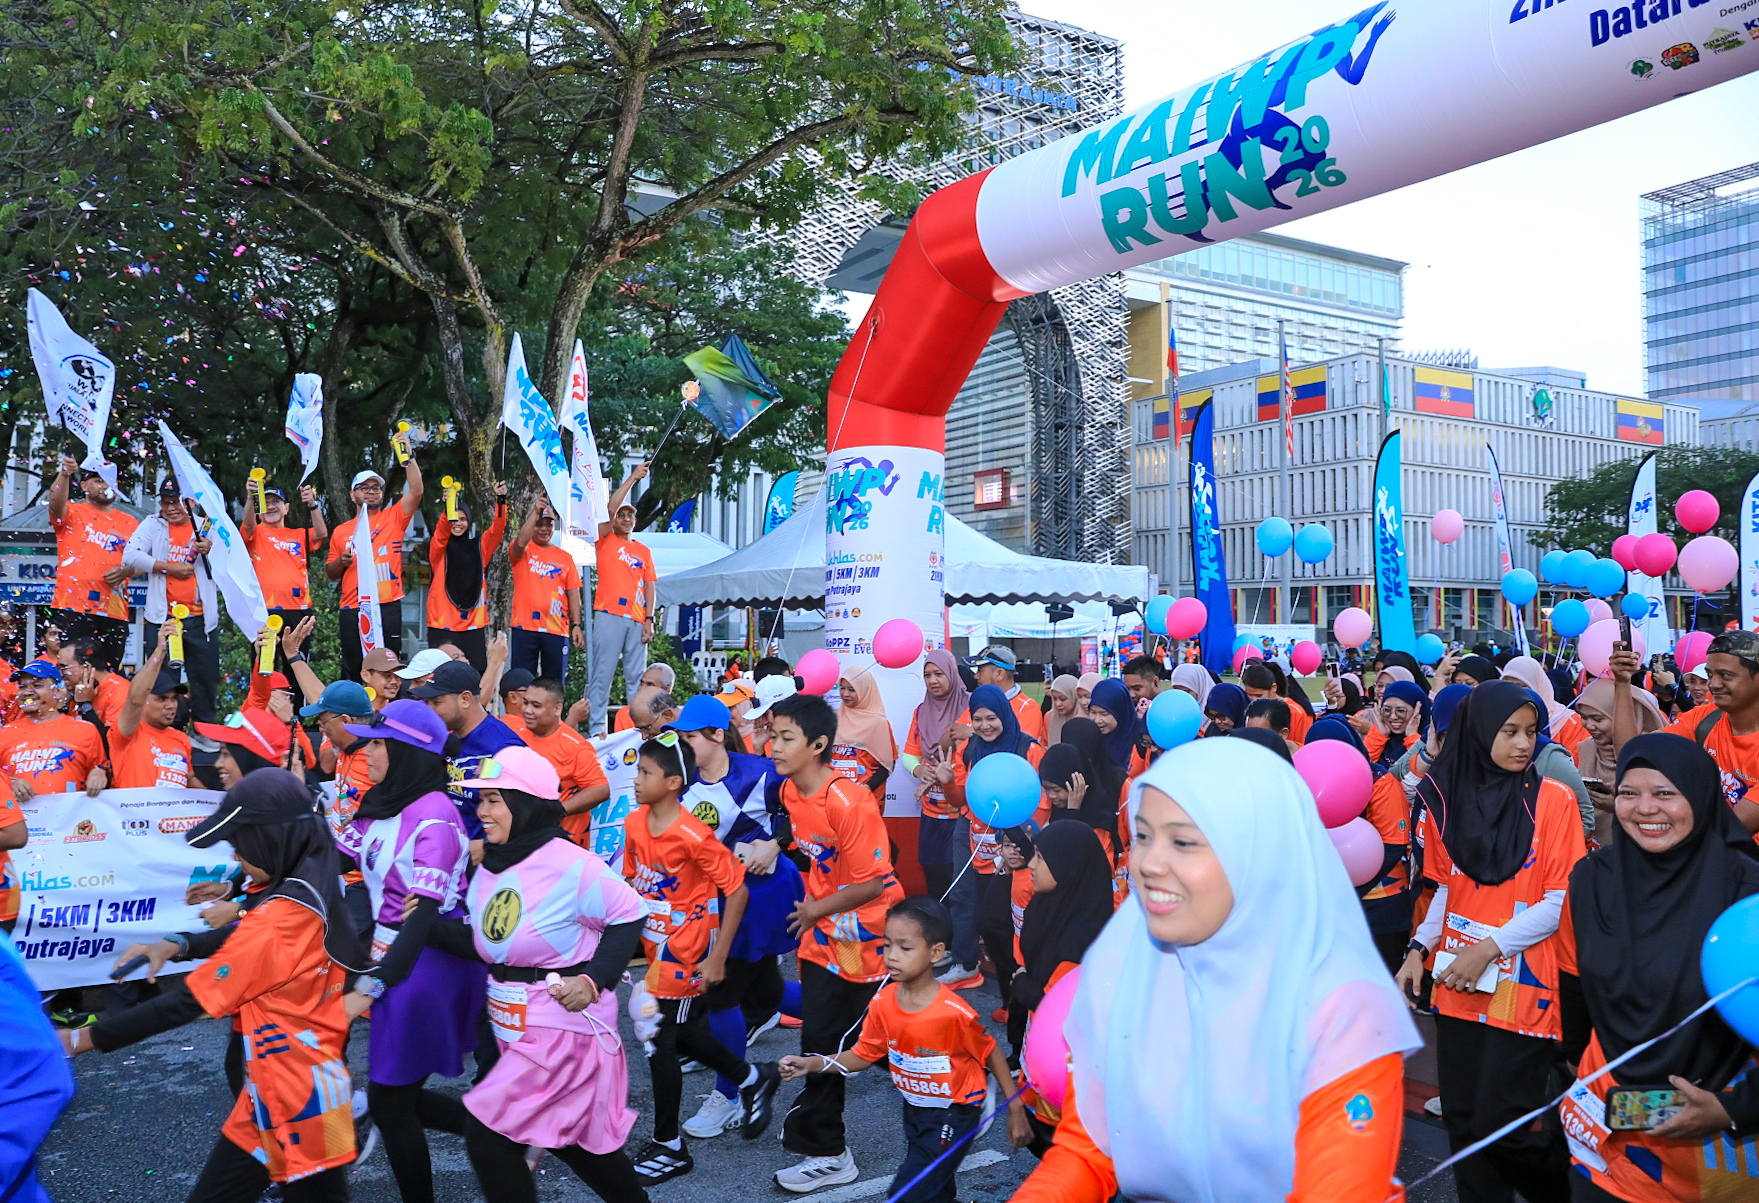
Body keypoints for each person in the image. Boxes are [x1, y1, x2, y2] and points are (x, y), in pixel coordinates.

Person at [1011, 738, 1421, 1203]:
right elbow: (1088, 1153)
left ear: (1257, 855)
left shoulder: (1340, 1010)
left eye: (1184, 841)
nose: (1149, 864)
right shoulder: (1127, 972)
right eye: (1143, 836)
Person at [66, 769, 366, 1203]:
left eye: (240, 844)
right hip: (278, 1091)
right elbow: (249, 932)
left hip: (297, 1100)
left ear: (271, 841)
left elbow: (187, 1002)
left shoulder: (279, 917)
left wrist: (80, 1040)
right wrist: (180, 944)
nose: (236, 855)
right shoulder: (306, 884)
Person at [424, 746, 656, 1203]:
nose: (482, 811)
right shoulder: (495, 863)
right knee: (571, 1141)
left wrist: (592, 981)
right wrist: (422, 927)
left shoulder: (569, 862)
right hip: (515, 1026)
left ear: (526, 804)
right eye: (481, 800)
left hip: (564, 1029)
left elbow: (630, 914)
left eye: (494, 800)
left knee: (488, 1134)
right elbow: (492, 942)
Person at [1395, 680, 1585, 1203]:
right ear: (1478, 733)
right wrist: (1418, 949)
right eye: (1510, 732)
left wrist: (1489, 948)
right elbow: (1446, 887)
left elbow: (1560, 899)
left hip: (1520, 986)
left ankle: (1572, 1191)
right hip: (1459, 982)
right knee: (1462, 1120)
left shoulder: (1553, 800)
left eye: (1531, 732)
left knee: (1504, 1127)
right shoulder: (1446, 797)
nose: (1524, 743)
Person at [1557, 733, 1759, 1202]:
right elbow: (1574, 983)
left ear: (1701, 796)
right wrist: (1575, 1062)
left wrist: (1732, 1109)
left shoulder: (1747, 892)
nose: (1645, 809)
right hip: (1607, 1132)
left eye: (1665, 793)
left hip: (1716, 1151)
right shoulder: (1592, 879)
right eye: (1629, 793)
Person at [778, 897, 1030, 1202]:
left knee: (908, 1191)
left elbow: (990, 1052)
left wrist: (1015, 1108)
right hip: (915, 1108)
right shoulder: (882, 1003)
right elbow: (862, 1055)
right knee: (936, 1189)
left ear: (935, 952)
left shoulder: (951, 1013)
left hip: (955, 1114)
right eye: (887, 945)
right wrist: (813, 1064)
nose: (892, 956)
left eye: (905, 948)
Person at [334, 699, 483, 1203]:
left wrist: (374, 983)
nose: (367, 752)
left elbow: (423, 918)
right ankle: (504, 1135)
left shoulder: (435, 816)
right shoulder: (383, 802)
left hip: (425, 967)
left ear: (407, 753)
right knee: (396, 1096)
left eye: (378, 744)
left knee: (391, 1100)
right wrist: (246, 882)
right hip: (395, 964)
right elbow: (330, 857)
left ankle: (503, 1138)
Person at [622, 731, 781, 1182]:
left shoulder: (693, 833)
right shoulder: (635, 823)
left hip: (688, 946)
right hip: (656, 943)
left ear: (674, 782)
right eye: (636, 771)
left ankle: (670, 1145)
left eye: (646, 772)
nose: (636, 780)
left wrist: (718, 958)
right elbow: (633, 881)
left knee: (657, 1039)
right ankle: (752, 1078)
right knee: (685, 1034)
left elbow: (737, 890)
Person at [767, 693, 906, 1192]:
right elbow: (809, 848)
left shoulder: (848, 799)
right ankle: (828, 1153)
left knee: (887, 1038)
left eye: (786, 738)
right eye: (772, 735)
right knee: (822, 1038)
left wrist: (813, 910)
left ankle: (957, 1092)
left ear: (818, 745)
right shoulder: (789, 790)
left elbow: (873, 883)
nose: (773, 746)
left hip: (869, 938)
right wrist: (773, 846)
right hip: (825, 938)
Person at [670, 693, 803, 1141]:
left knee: (723, 993)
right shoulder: (681, 781)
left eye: (690, 737)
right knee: (765, 990)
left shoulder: (760, 772)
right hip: (712, 902)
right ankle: (859, 1016)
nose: (684, 745)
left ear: (716, 735)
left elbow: (806, 805)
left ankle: (728, 1095)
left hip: (760, 898)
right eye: (680, 737)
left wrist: (775, 844)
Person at [1011, 821, 1114, 1149]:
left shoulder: (1082, 938)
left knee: (1057, 1144)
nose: (1031, 864)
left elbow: (1056, 1006)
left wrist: (1021, 985)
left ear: (1068, 867)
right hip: (1038, 1043)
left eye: (1040, 858)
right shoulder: (1048, 905)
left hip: (1065, 1063)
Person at [939, 684, 1047, 993]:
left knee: (1011, 919)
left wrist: (1019, 845)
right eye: (977, 719)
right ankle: (973, 970)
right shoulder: (969, 748)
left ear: (1005, 715)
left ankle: (1022, 982)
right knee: (973, 907)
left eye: (991, 718)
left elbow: (1041, 804)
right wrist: (947, 783)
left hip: (1017, 847)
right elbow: (962, 799)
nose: (984, 726)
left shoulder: (1029, 750)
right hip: (977, 844)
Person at [1616, 631, 1759, 836]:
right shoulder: (1706, 718)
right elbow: (1631, 754)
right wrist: (1622, 684)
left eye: (1726, 675)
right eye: (1711, 675)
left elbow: (1731, 831)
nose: (1713, 685)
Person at [123, 477, 220, 723]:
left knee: (205, 681)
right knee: (162, 681)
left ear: (192, 502)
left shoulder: (207, 526)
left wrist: (213, 550)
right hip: (162, 619)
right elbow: (130, 555)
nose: (170, 508)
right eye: (165, 503)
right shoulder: (152, 524)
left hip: (201, 620)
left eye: (176, 502)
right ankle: (164, 730)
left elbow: (230, 567)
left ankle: (204, 732)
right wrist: (168, 568)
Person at [326, 446, 424, 682]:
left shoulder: (394, 517)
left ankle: (387, 706)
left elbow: (417, 491)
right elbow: (330, 573)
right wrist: (341, 562)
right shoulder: (341, 531)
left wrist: (408, 456)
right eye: (365, 488)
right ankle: (353, 706)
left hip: (386, 605)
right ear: (352, 495)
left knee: (390, 668)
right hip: (353, 607)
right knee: (353, 668)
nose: (371, 492)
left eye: (376, 488)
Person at [411, 660, 526, 842]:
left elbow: (526, 814)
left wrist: (486, 847)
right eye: (427, 702)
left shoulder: (499, 748)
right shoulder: (447, 738)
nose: (429, 711)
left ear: (465, 699)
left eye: (436, 702)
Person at [46, 454, 137, 666]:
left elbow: (140, 564)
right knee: (74, 669)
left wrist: (126, 571)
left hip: (114, 610)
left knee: (108, 672)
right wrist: (65, 474)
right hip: (74, 607)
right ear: (84, 485)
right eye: (99, 480)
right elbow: (55, 506)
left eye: (110, 481)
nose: (105, 486)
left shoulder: (130, 522)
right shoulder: (72, 512)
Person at [589, 463, 659, 735]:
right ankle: (597, 729)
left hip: (637, 618)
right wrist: (633, 477)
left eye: (631, 515)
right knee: (602, 676)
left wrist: (649, 619)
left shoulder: (643, 551)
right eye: (622, 514)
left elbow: (650, 586)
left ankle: (636, 730)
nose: (627, 518)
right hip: (609, 614)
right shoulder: (606, 539)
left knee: (637, 680)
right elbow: (609, 510)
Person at [904, 650, 971, 924]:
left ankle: (961, 937)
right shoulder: (921, 711)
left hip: (963, 813)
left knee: (958, 880)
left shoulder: (971, 709)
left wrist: (946, 773)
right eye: (927, 675)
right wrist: (920, 770)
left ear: (952, 674)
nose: (932, 680)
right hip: (931, 813)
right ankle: (939, 934)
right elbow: (909, 755)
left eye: (939, 674)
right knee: (933, 874)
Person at [424, 481, 508, 673]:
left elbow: (497, 530)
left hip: (472, 624)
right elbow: (441, 533)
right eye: (455, 518)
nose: (458, 523)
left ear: (469, 522)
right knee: (442, 675)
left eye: (463, 519)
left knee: (476, 675)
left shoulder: (479, 547)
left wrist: (501, 500)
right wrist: (448, 511)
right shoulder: (439, 550)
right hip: (442, 624)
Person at [241, 478, 327, 664]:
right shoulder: (255, 532)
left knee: (297, 666)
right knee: (264, 667)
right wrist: (250, 497)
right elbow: (248, 525)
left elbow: (321, 533)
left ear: (286, 508)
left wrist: (312, 505)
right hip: (265, 610)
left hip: (299, 609)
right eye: (266, 503)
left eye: (276, 502)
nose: (271, 506)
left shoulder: (298, 534)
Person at [1573, 678, 1665, 847]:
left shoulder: (1655, 752)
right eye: (1584, 717)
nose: (1589, 725)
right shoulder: (1586, 749)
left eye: (1598, 719)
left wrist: (1619, 805)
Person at [516, 675, 609, 843]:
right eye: (526, 703)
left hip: (564, 844)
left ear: (557, 709)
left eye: (536, 705)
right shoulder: (516, 737)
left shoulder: (576, 747)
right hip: (523, 841)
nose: (527, 710)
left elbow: (600, 789)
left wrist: (557, 811)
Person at [0, 662, 107, 805]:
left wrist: (101, 772)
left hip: (71, 816)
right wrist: (8, 783)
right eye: (22, 687)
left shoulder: (85, 730)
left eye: (37, 686)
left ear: (58, 691)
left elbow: (101, 770)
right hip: (19, 818)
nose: (26, 692)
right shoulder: (4, 734)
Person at [510, 497, 585, 683]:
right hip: (524, 626)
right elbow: (519, 544)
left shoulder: (565, 558)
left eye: (549, 524)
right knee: (522, 682)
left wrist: (577, 625)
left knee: (553, 684)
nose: (544, 529)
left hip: (556, 628)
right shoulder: (523, 550)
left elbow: (574, 593)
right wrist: (535, 511)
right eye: (539, 524)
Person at [108, 622, 192, 789]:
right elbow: (134, 700)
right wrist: (160, 650)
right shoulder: (127, 732)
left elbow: (190, 780)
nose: (170, 705)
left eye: (173, 699)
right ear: (144, 700)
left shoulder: (181, 739)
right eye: (161, 699)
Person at [833, 671, 896, 801]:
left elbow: (888, 764)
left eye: (852, 689)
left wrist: (867, 787)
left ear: (864, 691)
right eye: (842, 688)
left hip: (867, 797)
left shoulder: (879, 723)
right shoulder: (832, 718)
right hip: (836, 794)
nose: (845, 694)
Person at [964, 645, 1046, 741]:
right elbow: (953, 734)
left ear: (999, 674)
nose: (976, 676)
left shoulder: (1027, 708)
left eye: (980, 671)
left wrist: (972, 734)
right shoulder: (977, 702)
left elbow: (1020, 746)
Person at [58, 636, 129, 741]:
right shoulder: (76, 689)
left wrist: (85, 706)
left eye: (63, 667)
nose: (60, 674)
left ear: (87, 668)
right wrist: (61, 706)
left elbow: (112, 743)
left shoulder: (121, 692)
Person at [1086, 678, 1141, 766]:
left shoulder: (1140, 736)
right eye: (1093, 712)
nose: (1097, 720)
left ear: (1120, 712)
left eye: (1104, 714)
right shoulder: (1088, 737)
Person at [1043, 675, 1079, 744]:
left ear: (1074, 696)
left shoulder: (1084, 718)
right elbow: (1044, 743)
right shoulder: (1049, 717)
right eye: (1054, 699)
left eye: (1063, 699)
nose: (1058, 704)